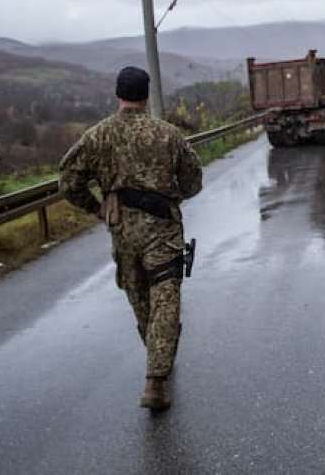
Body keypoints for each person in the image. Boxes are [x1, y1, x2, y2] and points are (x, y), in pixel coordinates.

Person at [59, 66, 202, 411]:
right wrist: (173, 196)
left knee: (141, 302)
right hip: (163, 230)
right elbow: (193, 180)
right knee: (165, 300)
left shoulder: (97, 136)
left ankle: (156, 354)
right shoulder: (167, 134)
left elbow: (67, 182)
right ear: (146, 95)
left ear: (117, 95)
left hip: (123, 232)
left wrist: (96, 208)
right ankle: (155, 380)